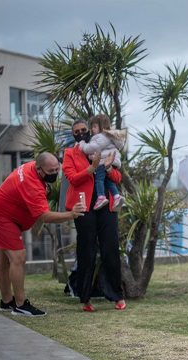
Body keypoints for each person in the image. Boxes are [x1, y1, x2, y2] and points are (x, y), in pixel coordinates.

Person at [0, 152, 85, 317]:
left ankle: (6, 301)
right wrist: (71, 214)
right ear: (39, 169)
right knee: (18, 257)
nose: (54, 174)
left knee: (4, 259)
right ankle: (20, 305)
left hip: (1, 209)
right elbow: (45, 216)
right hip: (1, 216)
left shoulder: (34, 168)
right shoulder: (31, 183)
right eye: (51, 171)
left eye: (56, 170)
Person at [63, 119, 127, 312]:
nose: (81, 133)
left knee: (110, 248)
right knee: (86, 251)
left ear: (90, 131)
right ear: (73, 134)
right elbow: (72, 179)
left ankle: (117, 295)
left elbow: (117, 177)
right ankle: (85, 298)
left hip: (105, 204)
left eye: (84, 130)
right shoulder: (70, 154)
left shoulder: (102, 147)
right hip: (83, 205)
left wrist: (106, 167)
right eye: (77, 131)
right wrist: (91, 168)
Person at [78, 114, 125, 211]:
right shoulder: (112, 136)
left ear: (102, 127)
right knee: (108, 181)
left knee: (99, 180)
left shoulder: (102, 136)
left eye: (94, 126)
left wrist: (82, 145)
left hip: (103, 161)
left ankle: (101, 197)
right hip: (113, 162)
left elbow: (93, 148)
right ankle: (116, 196)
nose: (92, 129)